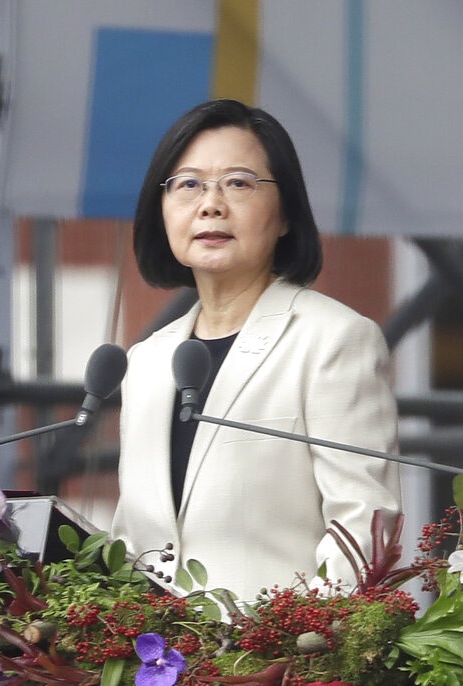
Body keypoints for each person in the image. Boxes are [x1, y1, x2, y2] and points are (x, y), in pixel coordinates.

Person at [110, 99, 401, 603]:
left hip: (279, 646)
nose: (211, 204)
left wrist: (298, 639)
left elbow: (364, 528)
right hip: (157, 650)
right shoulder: (147, 361)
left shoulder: (333, 340)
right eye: (188, 184)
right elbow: (134, 541)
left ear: (286, 214)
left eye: (239, 183)